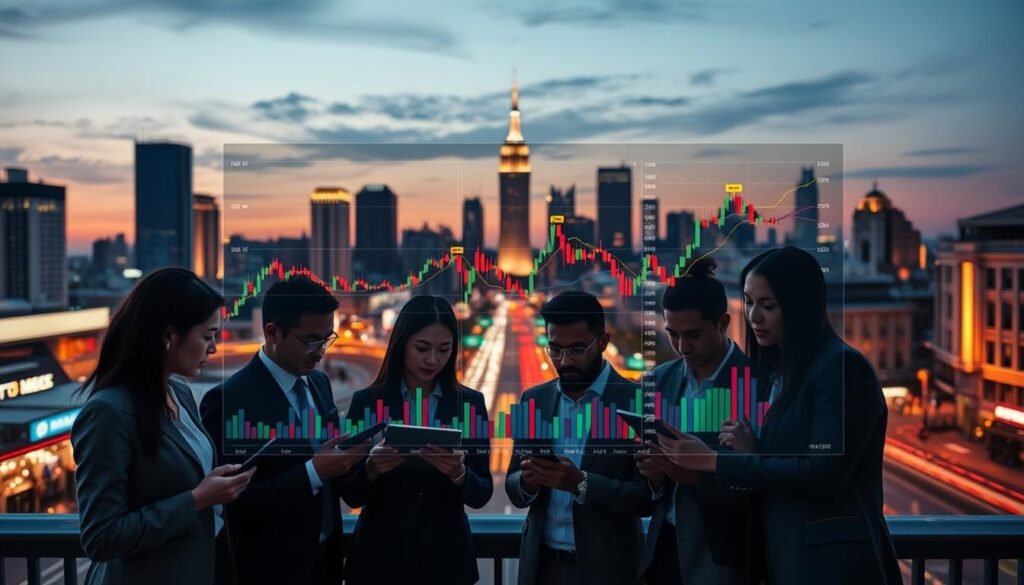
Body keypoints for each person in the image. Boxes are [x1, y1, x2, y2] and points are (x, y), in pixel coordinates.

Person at [657, 247, 902, 585]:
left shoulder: (842, 368)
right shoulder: (777, 375)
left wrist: (712, 461)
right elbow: (778, 467)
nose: (754, 316)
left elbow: (824, 472)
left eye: (768, 306)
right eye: (749, 302)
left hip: (833, 563)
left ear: (801, 306)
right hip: (781, 556)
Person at [72, 268, 255, 585]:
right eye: (208, 336)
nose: (213, 349)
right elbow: (102, 537)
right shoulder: (108, 412)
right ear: (169, 337)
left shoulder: (179, 393)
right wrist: (197, 499)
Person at [200, 277, 370, 584]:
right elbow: (233, 504)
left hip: (326, 566)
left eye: (327, 338)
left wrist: (367, 464)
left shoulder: (320, 384)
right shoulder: (228, 401)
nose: (321, 352)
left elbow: (336, 480)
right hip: (268, 570)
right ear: (272, 332)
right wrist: (314, 471)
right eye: (311, 340)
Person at [339, 295, 493, 585]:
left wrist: (458, 473)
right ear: (401, 344)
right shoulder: (368, 402)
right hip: (379, 562)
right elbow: (350, 494)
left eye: (444, 349)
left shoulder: (469, 404)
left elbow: (482, 493)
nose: (432, 359)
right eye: (422, 348)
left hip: (446, 563)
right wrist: (372, 469)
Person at [505, 291, 652, 585]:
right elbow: (512, 484)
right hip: (542, 567)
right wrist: (527, 482)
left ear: (603, 342)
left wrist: (580, 483)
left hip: (608, 570)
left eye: (576, 350)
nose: (564, 360)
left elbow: (646, 497)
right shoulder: (534, 400)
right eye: (555, 349)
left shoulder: (636, 403)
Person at [636, 257, 754, 585]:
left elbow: (767, 489)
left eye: (693, 335)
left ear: (723, 323)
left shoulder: (756, 385)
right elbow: (647, 486)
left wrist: (698, 475)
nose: (682, 347)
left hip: (722, 561)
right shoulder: (658, 380)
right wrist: (653, 473)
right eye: (672, 334)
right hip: (662, 553)